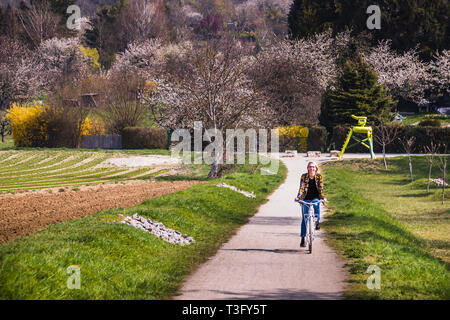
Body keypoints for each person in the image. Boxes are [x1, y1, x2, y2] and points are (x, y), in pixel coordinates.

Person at [294, 161, 327, 247]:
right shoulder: (304, 176)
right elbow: (301, 188)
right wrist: (298, 197)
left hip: (315, 197)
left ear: (316, 168)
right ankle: (303, 238)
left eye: (313, 167)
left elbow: (321, 188)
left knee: (316, 205)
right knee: (304, 219)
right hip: (306, 198)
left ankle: (317, 222)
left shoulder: (319, 176)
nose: (312, 168)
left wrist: (322, 198)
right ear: (308, 168)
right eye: (310, 167)